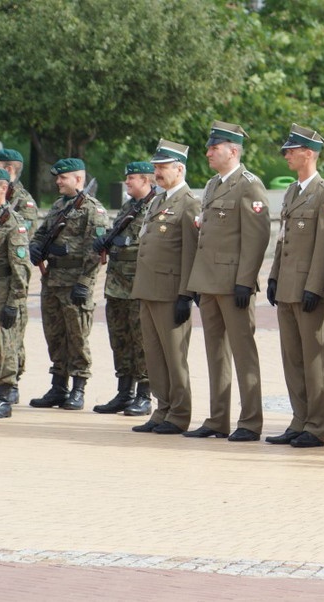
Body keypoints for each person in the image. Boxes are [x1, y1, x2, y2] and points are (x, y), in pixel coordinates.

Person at [185, 121, 270, 442]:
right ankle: (217, 419)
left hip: (234, 283)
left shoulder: (249, 186)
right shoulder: (212, 185)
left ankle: (250, 421)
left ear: (233, 151)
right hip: (209, 283)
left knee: (243, 353)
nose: (208, 153)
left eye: (214, 148)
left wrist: (245, 282)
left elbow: (257, 237)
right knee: (215, 354)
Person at [265, 124, 324, 447]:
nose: (286, 155)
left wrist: (315, 286)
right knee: (293, 358)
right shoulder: (294, 192)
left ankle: (316, 425)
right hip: (288, 287)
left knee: (314, 361)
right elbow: (283, 242)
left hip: (312, 291)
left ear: (308, 154)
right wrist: (273, 276)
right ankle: (299, 419)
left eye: (292, 150)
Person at [130, 139, 201, 435]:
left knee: (174, 356)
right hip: (148, 289)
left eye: (162, 167)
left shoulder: (189, 203)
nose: (157, 172)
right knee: (155, 356)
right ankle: (162, 410)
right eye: (156, 167)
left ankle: (180, 413)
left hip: (171, 292)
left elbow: (191, 251)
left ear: (179, 169)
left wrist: (186, 293)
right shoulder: (157, 200)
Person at [29, 158, 108, 411]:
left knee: (77, 337)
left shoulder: (92, 210)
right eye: (58, 177)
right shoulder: (58, 206)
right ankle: (58, 386)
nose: (58, 182)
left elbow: (95, 250)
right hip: (52, 281)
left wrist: (84, 283)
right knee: (54, 335)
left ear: (78, 179)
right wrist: (35, 246)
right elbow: (42, 233)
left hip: (75, 283)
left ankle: (78, 388)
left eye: (63, 177)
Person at [92, 161, 156, 417]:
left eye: (131, 179)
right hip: (117, 285)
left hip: (138, 286)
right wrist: (105, 240)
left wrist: (122, 243)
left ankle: (143, 395)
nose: (127, 182)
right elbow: (117, 236)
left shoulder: (154, 207)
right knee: (120, 340)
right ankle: (124, 392)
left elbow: (152, 245)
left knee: (141, 341)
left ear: (145, 180)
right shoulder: (130, 206)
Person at [0, 148, 37, 406]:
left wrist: (14, 302)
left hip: (3, 290)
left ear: (2, 188)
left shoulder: (12, 222)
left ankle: (4, 392)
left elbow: (21, 268)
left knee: (5, 345)